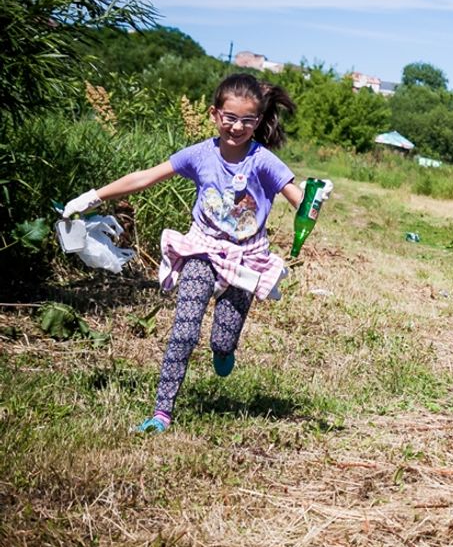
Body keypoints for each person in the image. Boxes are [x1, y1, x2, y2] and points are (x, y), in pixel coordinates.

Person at [62, 73, 310, 434]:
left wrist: (314, 203)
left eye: (247, 120)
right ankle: (162, 412)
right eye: (229, 117)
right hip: (203, 249)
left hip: (246, 257)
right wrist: (93, 197)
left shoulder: (263, 161)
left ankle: (224, 350)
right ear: (214, 114)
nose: (237, 127)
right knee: (184, 329)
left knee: (222, 339)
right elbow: (145, 177)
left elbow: (299, 201)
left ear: (258, 121)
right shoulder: (200, 155)